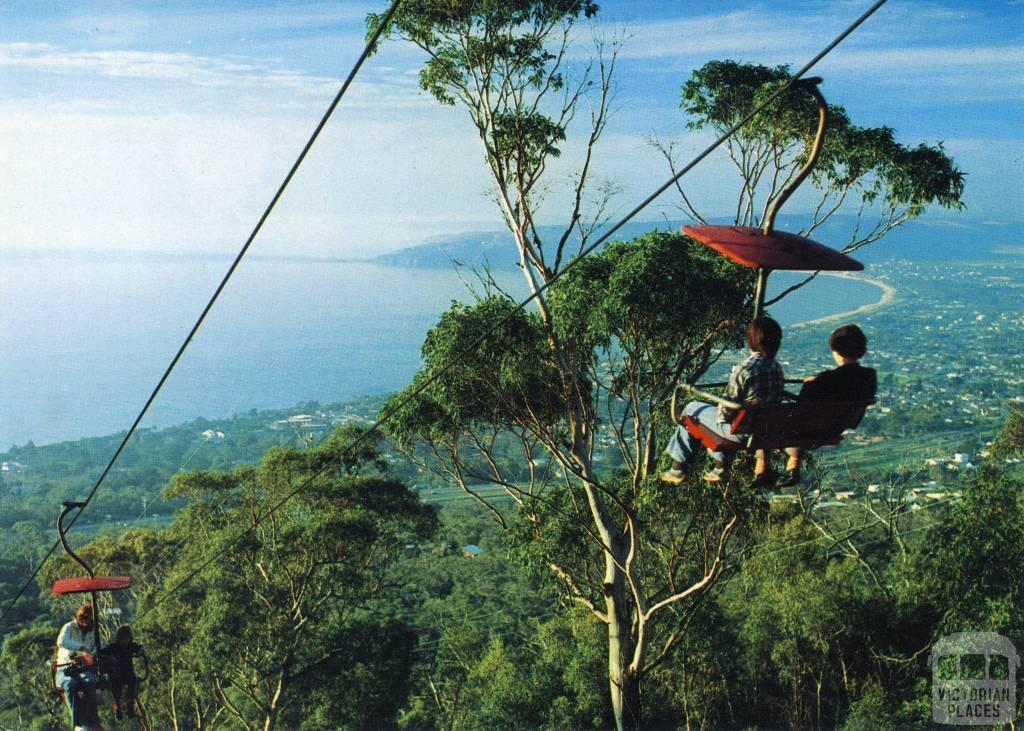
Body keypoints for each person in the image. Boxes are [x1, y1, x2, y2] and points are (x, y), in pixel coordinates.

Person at [662, 316, 784, 486]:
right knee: (709, 416)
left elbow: (725, 413)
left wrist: (718, 414)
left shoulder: (745, 369)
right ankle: (719, 467)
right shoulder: (777, 368)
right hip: (762, 432)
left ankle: (678, 468)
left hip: (741, 433)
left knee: (691, 409)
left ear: (751, 341)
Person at [778, 324, 877, 487]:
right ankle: (792, 466)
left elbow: (801, 409)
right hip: (837, 427)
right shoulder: (869, 376)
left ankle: (770, 468)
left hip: (812, 428)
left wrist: (811, 384)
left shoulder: (824, 379)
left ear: (836, 351)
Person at [54, 604, 102, 729]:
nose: (86, 624)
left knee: (91, 681)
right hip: (65, 668)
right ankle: (77, 723)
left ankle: (91, 720)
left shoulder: (93, 631)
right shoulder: (69, 627)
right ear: (79, 618)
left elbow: (97, 649)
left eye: (90, 621)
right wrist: (80, 648)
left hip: (82, 668)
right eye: (84, 620)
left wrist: (92, 656)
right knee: (70, 684)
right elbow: (61, 641)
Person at [100, 625, 145, 721]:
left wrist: (139, 652)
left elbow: (140, 648)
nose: (124, 641)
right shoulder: (113, 647)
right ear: (118, 639)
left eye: (126, 639)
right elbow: (101, 653)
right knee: (116, 687)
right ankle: (117, 707)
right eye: (122, 639)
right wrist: (109, 658)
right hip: (116, 674)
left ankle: (130, 704)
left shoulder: (131, 646)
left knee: (133, 682)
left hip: (128, 673)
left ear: (129, 638)